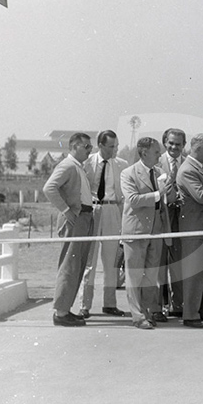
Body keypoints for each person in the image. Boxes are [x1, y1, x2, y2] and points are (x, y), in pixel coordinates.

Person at [120, 137, 176, 329]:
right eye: (155, 152)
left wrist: (170, 190)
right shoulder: (128, 174)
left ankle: (147, 311)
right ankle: (137, 316)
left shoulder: (160, 173)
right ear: (144, 153)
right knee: (134, 276)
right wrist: (159, 194)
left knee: (151, 276)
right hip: (135, 232)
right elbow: (134, 200)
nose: (159, 155)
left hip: (156, 231)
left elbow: (167, 200)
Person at [43, 132, 95, 327]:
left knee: (77, 265)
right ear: (74, 147)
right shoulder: (67, 165)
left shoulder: (78, 167)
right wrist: (66, 210)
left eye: (90, 147)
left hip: (85, 218)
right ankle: (61, 312)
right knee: (69, 265)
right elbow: (49, 188)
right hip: (76, 220)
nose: (90, 150)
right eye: (86, 147)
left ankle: (66, 308)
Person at [78, 130, 127, 318]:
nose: (114, 150)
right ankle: (85, 305)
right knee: (89, 262)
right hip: (92, 211)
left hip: (112, 210)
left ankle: (110, 303)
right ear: (100, 145)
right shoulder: (87, 163)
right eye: (110, 146)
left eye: (116, 146)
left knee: (111, 261)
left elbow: (123, 196)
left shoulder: (122, 165)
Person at [176, 134, 203, 328]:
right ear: (198, 149)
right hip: (194, 228)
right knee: (194, 273)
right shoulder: (187, 170)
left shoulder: (202, 168)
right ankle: (190, 314)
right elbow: (201, 196)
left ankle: (201, 310)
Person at [157, 128, 187, 319]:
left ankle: (178, 304)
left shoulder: (188, 163)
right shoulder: (156, 162)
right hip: (161, 218)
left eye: (178, 144)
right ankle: (159, 305)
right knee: (159, 263)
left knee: (179, 262)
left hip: (182, 219)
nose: (174, 147)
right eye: (171, 143)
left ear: (184, 146)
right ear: (165, 143)